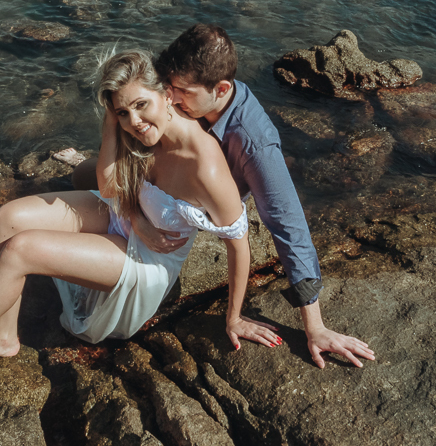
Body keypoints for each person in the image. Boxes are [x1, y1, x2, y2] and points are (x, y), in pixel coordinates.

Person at [0, 49, 279, 380]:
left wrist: (234, 317)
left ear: (167, 95)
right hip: (126, 217)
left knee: (20, 250)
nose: (136, 123)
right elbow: (110, 187)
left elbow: (239, 243)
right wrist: (112, 125)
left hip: (148, 260)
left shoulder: (204, 166)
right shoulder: (138, 129)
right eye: (123, 113)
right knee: (8, 218)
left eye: (141, 105)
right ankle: (3, 336)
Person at [73, 25, 375, 369]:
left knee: (85, 181)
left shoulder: (255, 145)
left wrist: (315, 327)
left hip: (194, 200)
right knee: (81, 174)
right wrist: (135, 214)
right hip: (156, 185)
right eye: (168, 86)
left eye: (180, 92)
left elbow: (288, 226)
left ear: (221, 90)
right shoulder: (192, 90)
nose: (170, 97)